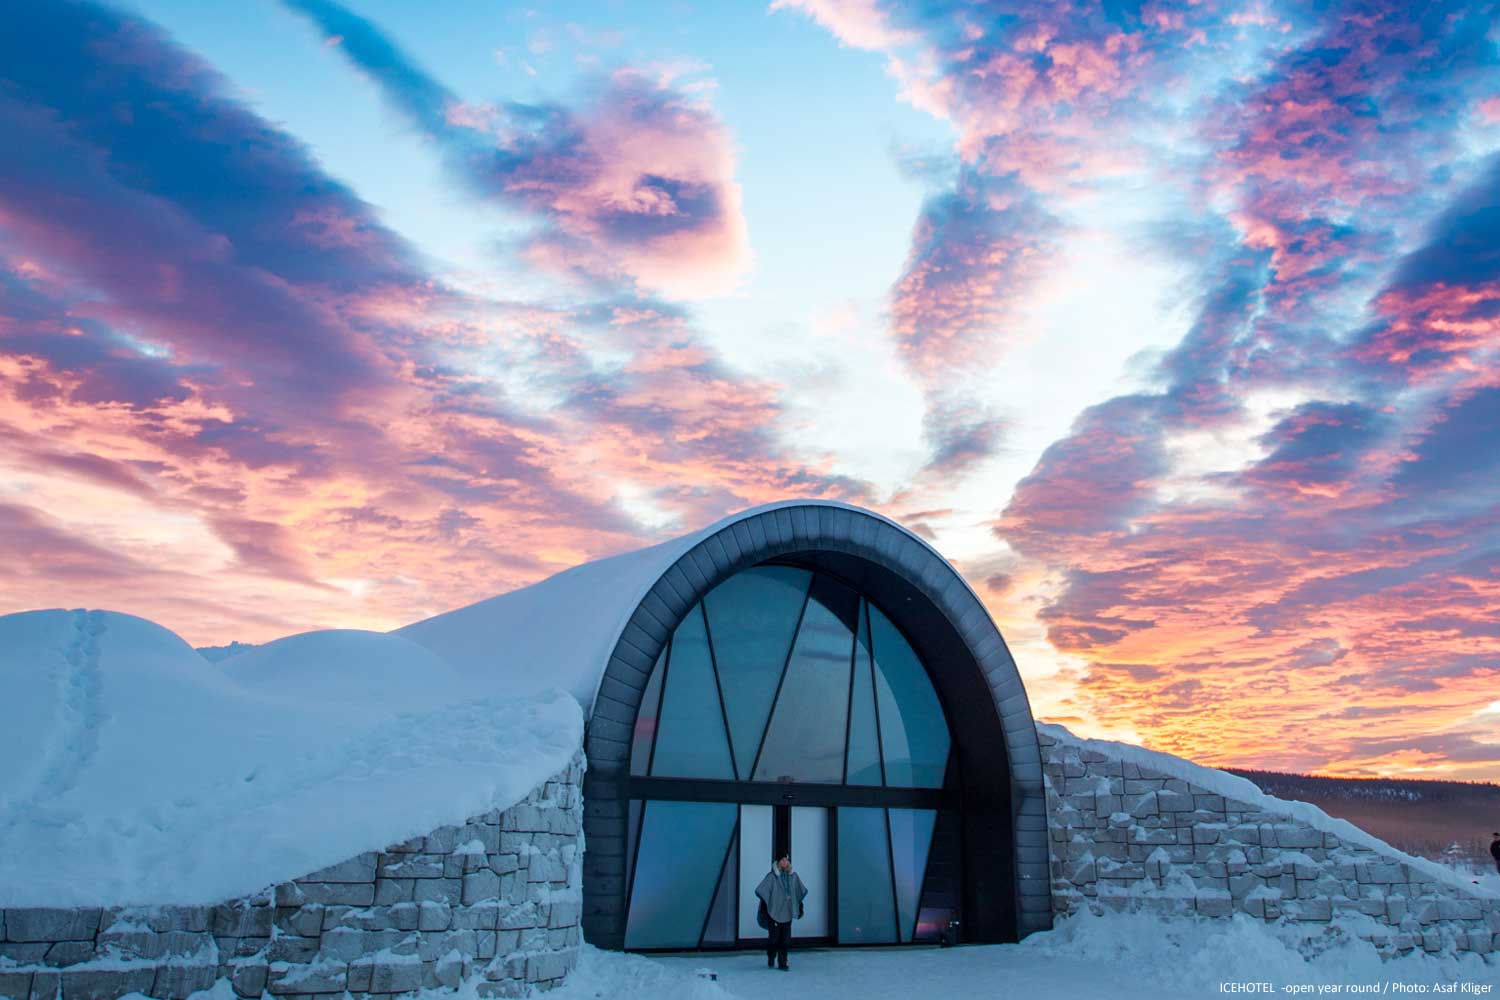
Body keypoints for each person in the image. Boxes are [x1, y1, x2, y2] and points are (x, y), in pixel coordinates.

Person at [755, 854, 807, 971]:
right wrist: (764, 909)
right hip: (774, 912)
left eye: (786, 860)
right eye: (782, 860)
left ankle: (783, 962)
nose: (785, 862)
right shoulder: (772, 877)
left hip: (788, 912)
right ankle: (771, 956)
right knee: (774, 939)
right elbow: (764, 892)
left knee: (785, 939)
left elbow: (797, 894)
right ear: (777, 862)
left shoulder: (793, 877)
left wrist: (800, 908)